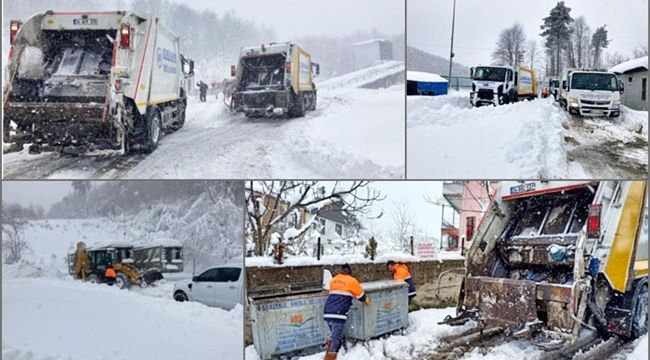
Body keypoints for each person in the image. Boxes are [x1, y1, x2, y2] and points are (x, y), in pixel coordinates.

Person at [323, 264, 369, 360]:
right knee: (336, 339)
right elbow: (361, 297)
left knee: (335, 336)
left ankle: (337, 351)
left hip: (327, 312)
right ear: (349, 272)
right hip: (338, 314)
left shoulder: (334, 279)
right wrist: (367, 301)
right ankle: (330, 357)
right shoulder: (352, 281)